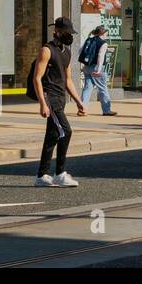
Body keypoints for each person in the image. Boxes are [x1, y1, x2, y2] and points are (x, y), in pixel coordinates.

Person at [34, 17, 86, 187]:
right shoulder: (46, 50)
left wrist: (79, 101)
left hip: (61, 98)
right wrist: (42, 103)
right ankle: (60, 173)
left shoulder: (67, 52)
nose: (69, 35)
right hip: (51, 98)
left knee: (52, 136)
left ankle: (41, 176)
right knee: (66, 131)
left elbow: (68, 80)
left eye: (71, 33)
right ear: (56, 31)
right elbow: (37, 78)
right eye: (66, 32)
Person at [78, 25, 117, 117]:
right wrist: (99, 70)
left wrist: (83, 65)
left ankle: (82, 109)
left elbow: (80, 52)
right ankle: (107, 110)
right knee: (103, 88)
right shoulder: (103, 43)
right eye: (106, 32)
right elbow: (101, 57)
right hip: (97, 68)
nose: (107, 34)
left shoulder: (89, 40)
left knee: (87, 88)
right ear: (102, 33)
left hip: (87, 67)